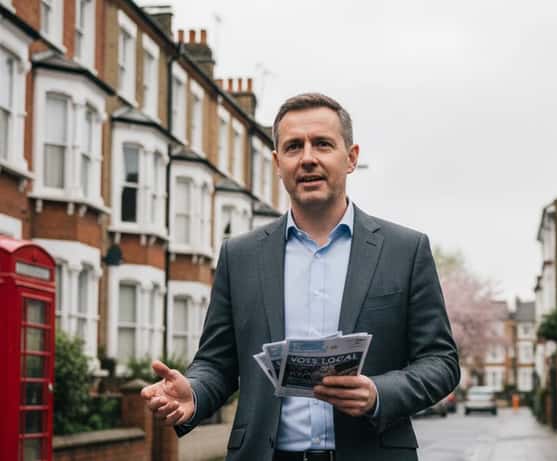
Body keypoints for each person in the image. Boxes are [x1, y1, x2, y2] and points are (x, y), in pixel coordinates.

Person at [140, 93, 460, 461]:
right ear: (278, 163)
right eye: (294, 147)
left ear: (351, 157)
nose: (307, 158)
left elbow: (440, 361)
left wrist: (378, 392)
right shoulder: (239, 256)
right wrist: (193, 393)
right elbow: (217, 362)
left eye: (322, 144)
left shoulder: (405, 250)